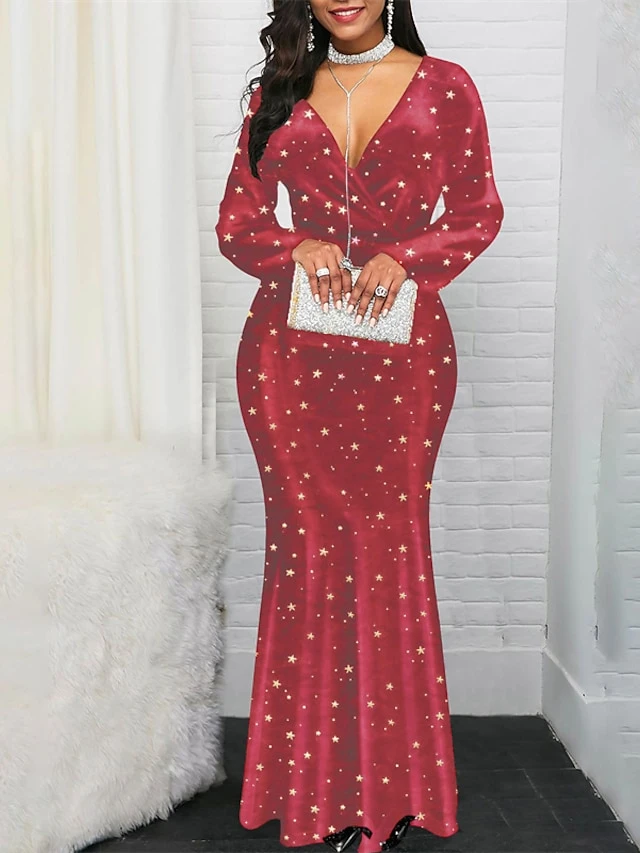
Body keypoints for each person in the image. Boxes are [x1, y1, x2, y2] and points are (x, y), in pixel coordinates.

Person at [215, 1, 504, 850]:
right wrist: (290, 248)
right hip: (288, 355)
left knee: (386, 549)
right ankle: (306, 790)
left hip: (402, 355)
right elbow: (237, 223)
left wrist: (405, 257)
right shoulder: (278, 89)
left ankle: (388, 791)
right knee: (307, 551)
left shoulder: (446, 86)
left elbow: (479, 211)